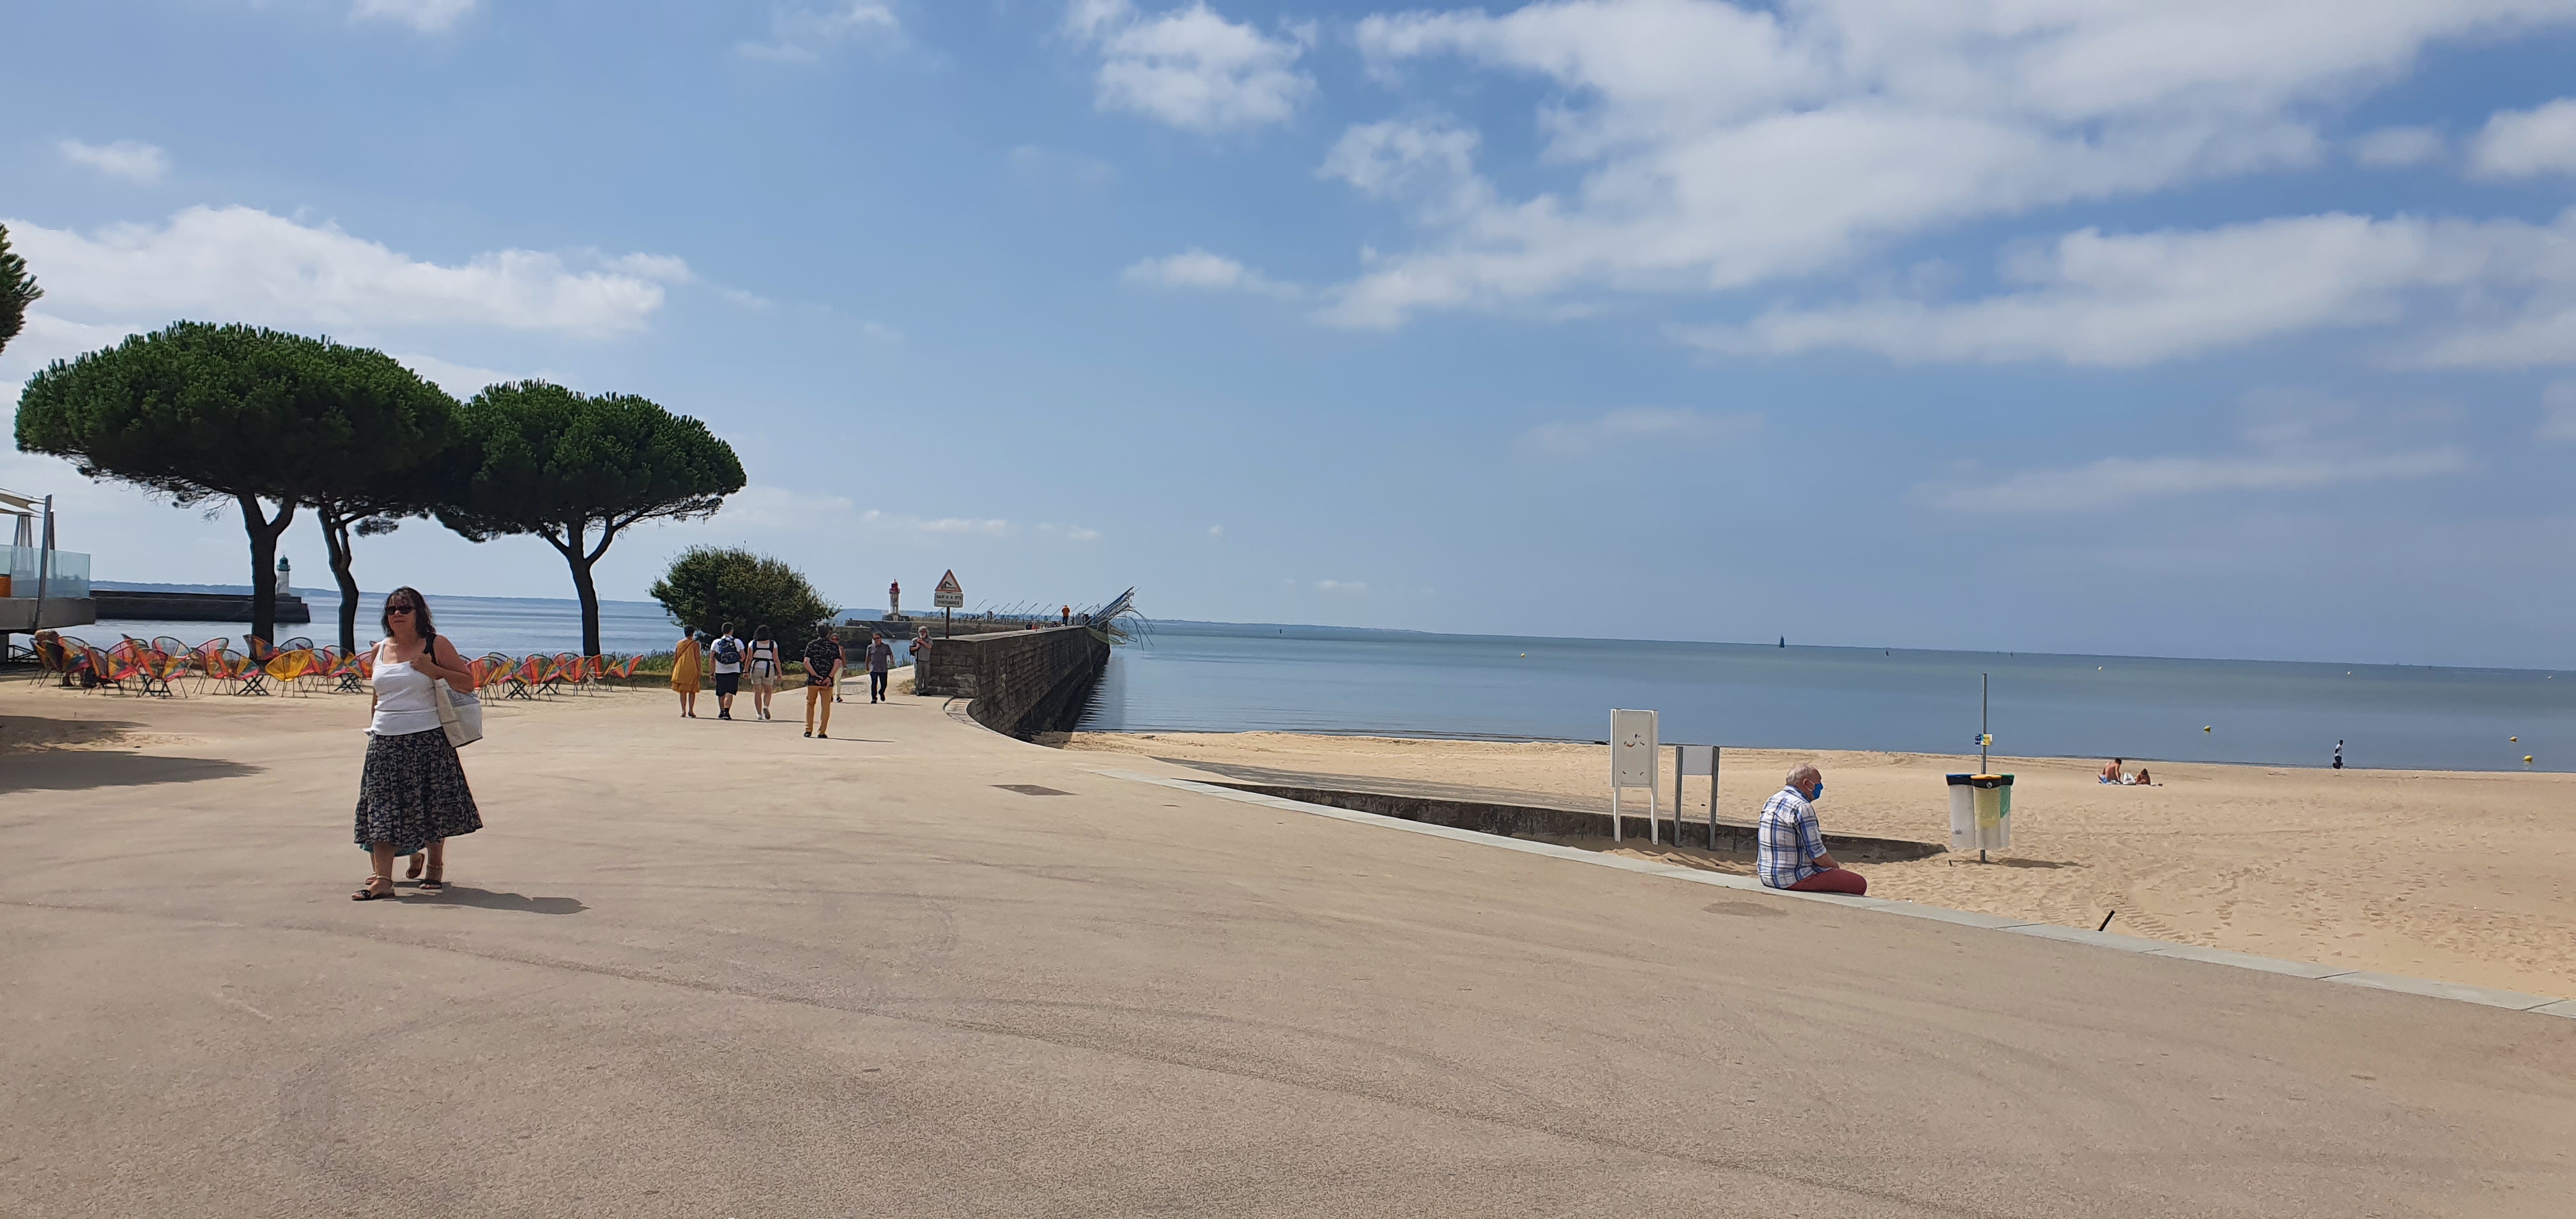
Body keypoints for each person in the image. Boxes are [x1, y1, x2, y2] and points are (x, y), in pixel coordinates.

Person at [351, 588, 482, 900]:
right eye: (391, 609)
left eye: (404, 608)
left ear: (418, 613)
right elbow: (377, 696)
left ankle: (434, 866)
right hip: (384, 742)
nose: (397, 614)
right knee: (381, 809)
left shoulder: (436, 645)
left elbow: (467, 683)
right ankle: (384, 879)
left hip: (428, 738)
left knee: (431, 805)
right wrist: (374, 728)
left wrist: (433, 670)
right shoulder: (379, 650)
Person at [1757, 764, 1865, 895]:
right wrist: (1835, 869)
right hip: (1791, 878)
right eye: (1818, 782)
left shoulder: (1772, 800)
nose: (1821, 786)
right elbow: (1817, 854)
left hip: (1767, 875)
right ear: (1807, 784)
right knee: (1858, 883)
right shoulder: (1802, 807)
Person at [802, 622, 843, 739]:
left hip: (813, 681)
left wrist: (815, 675)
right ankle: (822, 731)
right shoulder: (834, 646)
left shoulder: (812, 645)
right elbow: (837, 663)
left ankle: (808, 729)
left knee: (810, 704)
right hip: (827, 681)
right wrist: (829, 677)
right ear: (828, 633)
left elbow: (806, 662)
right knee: (826, 706)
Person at [709, 623, 744, 720]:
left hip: (720, 670)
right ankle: (727, 711)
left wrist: (712, 673)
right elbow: (743, 657)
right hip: (734, 670)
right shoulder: (737, 642)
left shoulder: (716, 643)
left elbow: (712, 659)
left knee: (721, 692)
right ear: (732, 630)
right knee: (730, 691)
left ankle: (722, 712)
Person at [746, 626, 781, 721]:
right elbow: (776, 659)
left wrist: (746, 670)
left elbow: (749, 659)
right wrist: (779, 672)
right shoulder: (773, 644)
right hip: (768, 668)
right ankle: (766, 706)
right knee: (768, 691)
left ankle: (759, 714)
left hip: (756, 668)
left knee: (758, 692)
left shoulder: (752, 644)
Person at [669, 629, 703, 717]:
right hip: (692, 667)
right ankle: (691, 710)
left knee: (683, 691)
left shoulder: (679, 643)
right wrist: (699, 669)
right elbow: (697, 658)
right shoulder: (695, 644)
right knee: (692, 690)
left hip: (681, 668)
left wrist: (675, 669)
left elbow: (676, 657)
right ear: (693, 633)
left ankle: (683, 710)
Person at [866, 631, 894, 703]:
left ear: (881, 639)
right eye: (874, 639)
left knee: (884, 684)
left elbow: (890, 654)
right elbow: (868, 657)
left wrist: (892, 660)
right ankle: (874, 698)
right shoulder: (870, 647)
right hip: (873, 668)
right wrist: (867, 666)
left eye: (877, 638)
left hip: (883, 668)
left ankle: (881, 692)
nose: (876, 640)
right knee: (874, 684)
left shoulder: (886, 647)